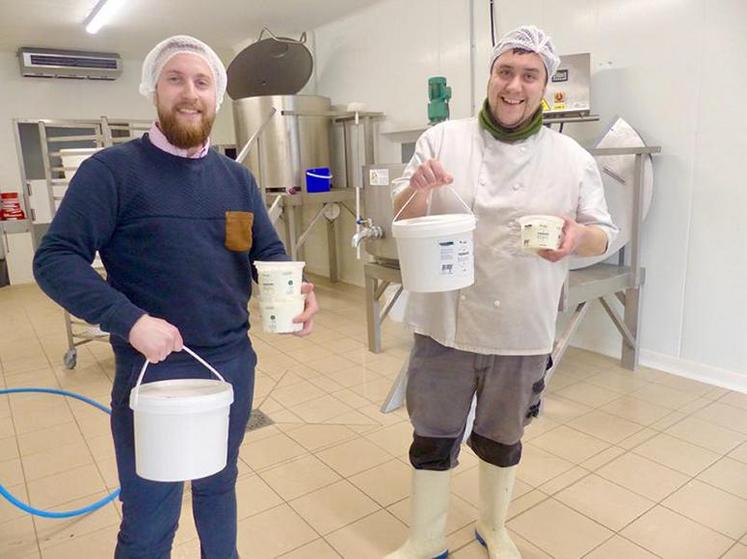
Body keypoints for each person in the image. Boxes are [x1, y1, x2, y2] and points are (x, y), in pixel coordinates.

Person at [33, 35, 318, 559]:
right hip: (155, 369)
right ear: (154, 91)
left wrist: (293, 288)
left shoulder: (236, 179)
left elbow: (267, 252)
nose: (191, 93)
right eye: (176, 79)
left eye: (202, 82)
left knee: (218, 484)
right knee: (150, 513)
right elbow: (55, 259)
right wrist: (130, 321)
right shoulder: (113, 172)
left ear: (217, 95)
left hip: (232, 363)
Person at [385, 26, 618, 559]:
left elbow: (604, 232)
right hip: (445, 321)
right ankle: (424, 539)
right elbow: (398, 212)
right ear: (490, 76)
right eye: (505, 72)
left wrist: (577, 238)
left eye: (528, 75)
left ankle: (493, 527)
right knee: (432, 434)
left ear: (544, 85)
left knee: (502, 435)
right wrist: (417, 190)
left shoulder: (571, 158)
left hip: (522, 323)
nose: (514, 86)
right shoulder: (442, 139)